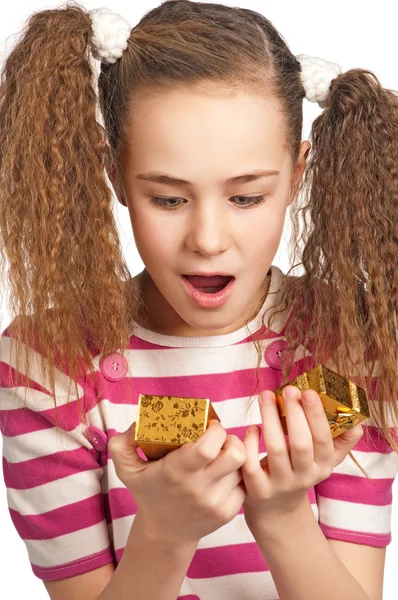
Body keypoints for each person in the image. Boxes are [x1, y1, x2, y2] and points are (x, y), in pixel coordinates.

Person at [0, 1, 397, 599]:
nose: (208, 241)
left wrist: (284, 515)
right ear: (115, 175)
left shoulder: (350, 342)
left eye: (246, 198)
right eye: (167, 199)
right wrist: (164, 533)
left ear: (297, 173)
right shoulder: (45, 368)